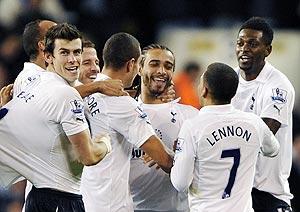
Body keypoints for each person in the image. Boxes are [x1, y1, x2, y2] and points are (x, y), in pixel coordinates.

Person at [0, 23, 111, 212]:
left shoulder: (33, 82)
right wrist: (105, 143)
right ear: (48, 56)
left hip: (39, 197)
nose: (73, 60)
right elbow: (89, 156)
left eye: (77, 52)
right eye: (65, 53)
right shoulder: (67, 95)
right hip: (61, 199)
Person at [80, 33, 174, 212]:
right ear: (132, 64)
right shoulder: (122, 104)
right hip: (112, 205)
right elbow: (165, 160)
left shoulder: (87, 90)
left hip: (88, 199)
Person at [171, 62, 280, 212]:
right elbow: (273, 150)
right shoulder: (254, 122)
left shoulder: (193, 127)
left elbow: (180, 183)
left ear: (204, 90)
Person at [231, 17, 295, 212]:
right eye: (240, 43)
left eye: (253, 44)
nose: (244, 49)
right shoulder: (230, 80)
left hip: (268, 193)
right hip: (234, 191)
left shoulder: (278, 85)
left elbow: (265, 133)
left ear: (268, 50)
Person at [129, 44, 198, 212]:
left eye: (168, 66)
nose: (161, 70)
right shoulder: (123, 113)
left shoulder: (190, 116)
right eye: (154, 64)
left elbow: (207, 168)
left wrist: (175, 158)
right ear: (139, 68)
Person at [14, 19, 126, 99]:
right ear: (43, 45)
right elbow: (52, 99)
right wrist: (98, 86)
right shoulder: (28, 76)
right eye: (54, 32)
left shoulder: (58, 75)